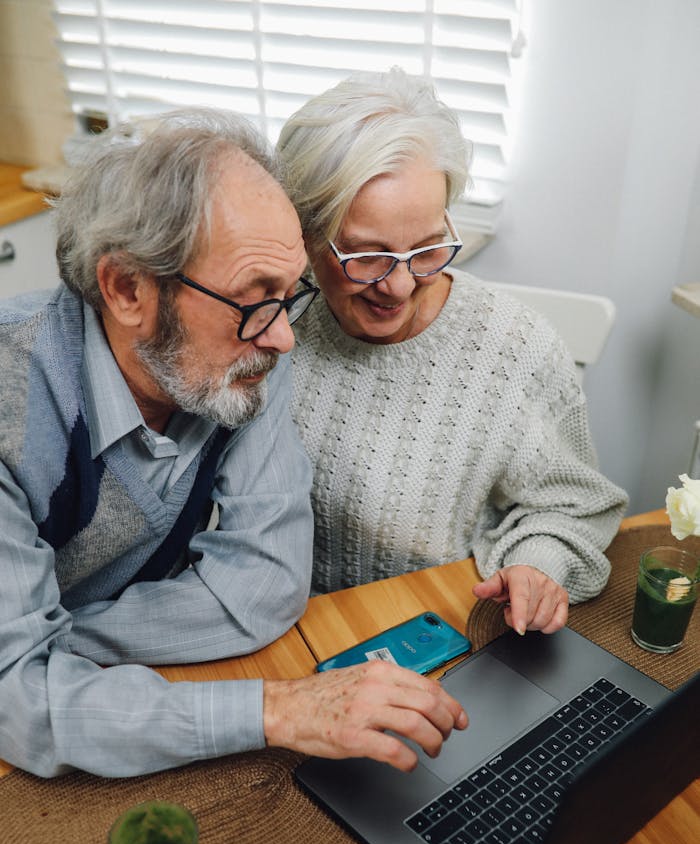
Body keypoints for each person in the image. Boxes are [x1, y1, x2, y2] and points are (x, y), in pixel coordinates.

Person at [0, 107, 466, 779]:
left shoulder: (239, 362)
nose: (283, 337)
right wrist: (272, 711)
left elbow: (265, 589)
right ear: (127, 287)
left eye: (288, 295)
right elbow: (23, 706)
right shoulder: (14, 405)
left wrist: (55, 644)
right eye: (253, 300)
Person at [278, 68, 628, 635]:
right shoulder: (273, 320)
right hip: (284, 627)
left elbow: (574, 505)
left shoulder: (515, 349)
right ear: (306, 238)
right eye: (367, 256)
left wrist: (536, 566)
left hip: (440, 629)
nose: (400, 286)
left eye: (426, 248)